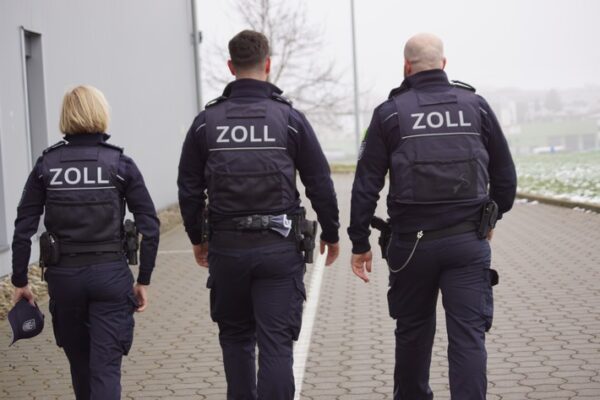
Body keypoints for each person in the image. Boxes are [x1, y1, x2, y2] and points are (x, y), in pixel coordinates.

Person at [348, 33, 517, 400]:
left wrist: (359, 242)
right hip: (467, 242)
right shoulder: (476, 107)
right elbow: (505, 177)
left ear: (406, 67)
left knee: (412, 333)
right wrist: (491, 219)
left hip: (411, 247)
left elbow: (366, 185)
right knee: (468, 337)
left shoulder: (389, 114)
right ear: (443, 63)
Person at [178, 30, 340, 399]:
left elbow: (188, 188)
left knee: (236, 338)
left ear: (230, 66)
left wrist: (196, 238)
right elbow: (319, 182)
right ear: (267, 64)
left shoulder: (206, 122)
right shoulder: (290, 119)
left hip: (227, 250)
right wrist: (331, 234)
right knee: (276, 343)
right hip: (278, 249)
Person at [11, 85, 160, 400]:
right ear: (101, 114)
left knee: (80, 366)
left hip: (65, 279)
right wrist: (143, 279)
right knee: (105, 369)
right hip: (111, 278)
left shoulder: (47, 165)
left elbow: (24, 225)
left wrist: (20, 281)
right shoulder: (120, 164)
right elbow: (150, 225)